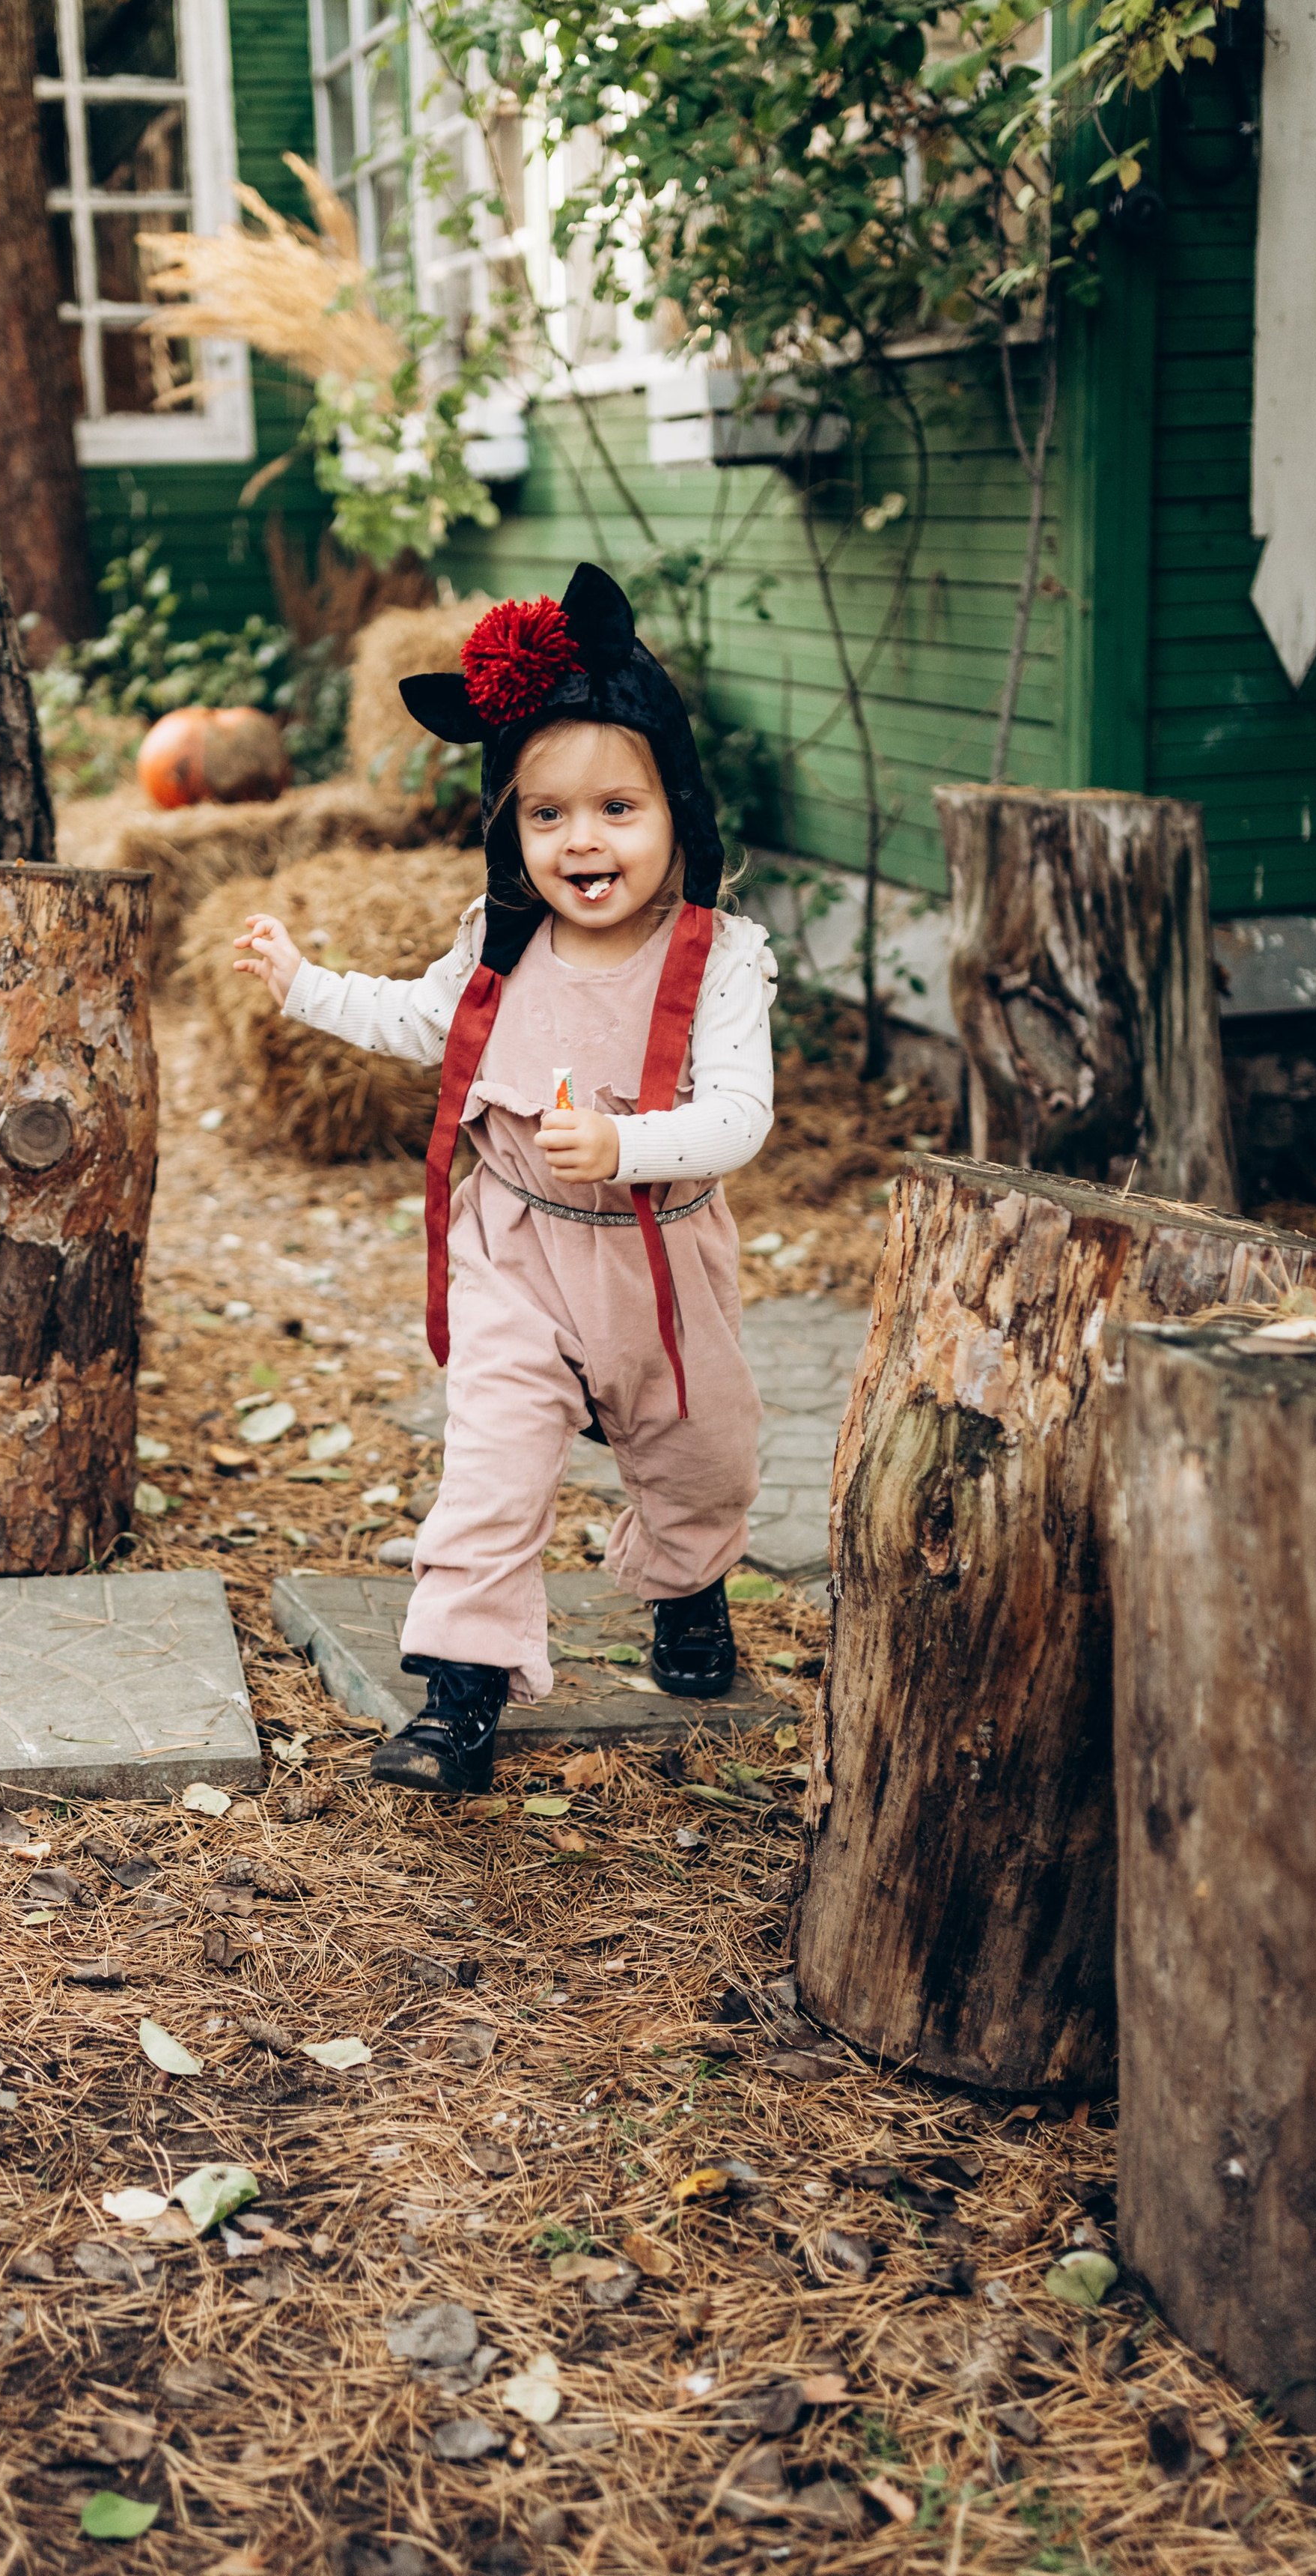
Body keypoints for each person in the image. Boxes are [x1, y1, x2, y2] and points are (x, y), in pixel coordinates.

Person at [232, 562, 777, 1793]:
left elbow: (741, 1117)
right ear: (509, 828)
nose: (582, 840)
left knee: (703, 1455)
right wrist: (306, 986)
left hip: (658, 1255)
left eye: (618, 808)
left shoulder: (719, 958)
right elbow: (422, 1021)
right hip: (515, 1246)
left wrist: (630, 1148)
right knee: (491, 1460)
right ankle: (461, 1696)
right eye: (546, 815)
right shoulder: (500, 943)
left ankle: (688, 1589)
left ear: (678, 808)